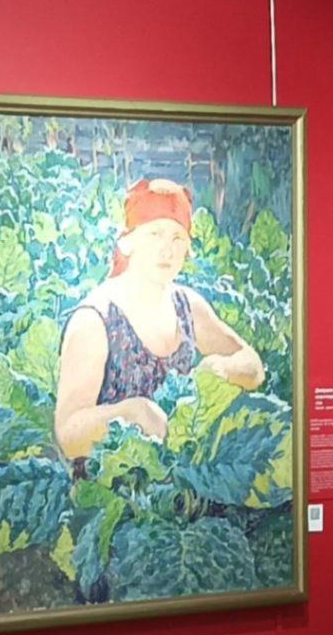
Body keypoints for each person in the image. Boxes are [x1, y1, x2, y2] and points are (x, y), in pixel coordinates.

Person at [53, 178, 264, 459]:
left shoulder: (187, 306)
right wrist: (129, 414)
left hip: (181, 477)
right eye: (155, 234)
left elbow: (253, 366)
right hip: (113, 480)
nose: (167, 250)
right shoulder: (94, 320)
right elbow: (67, 434)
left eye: (177, 238)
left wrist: (222, 369)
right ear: (127, 242)